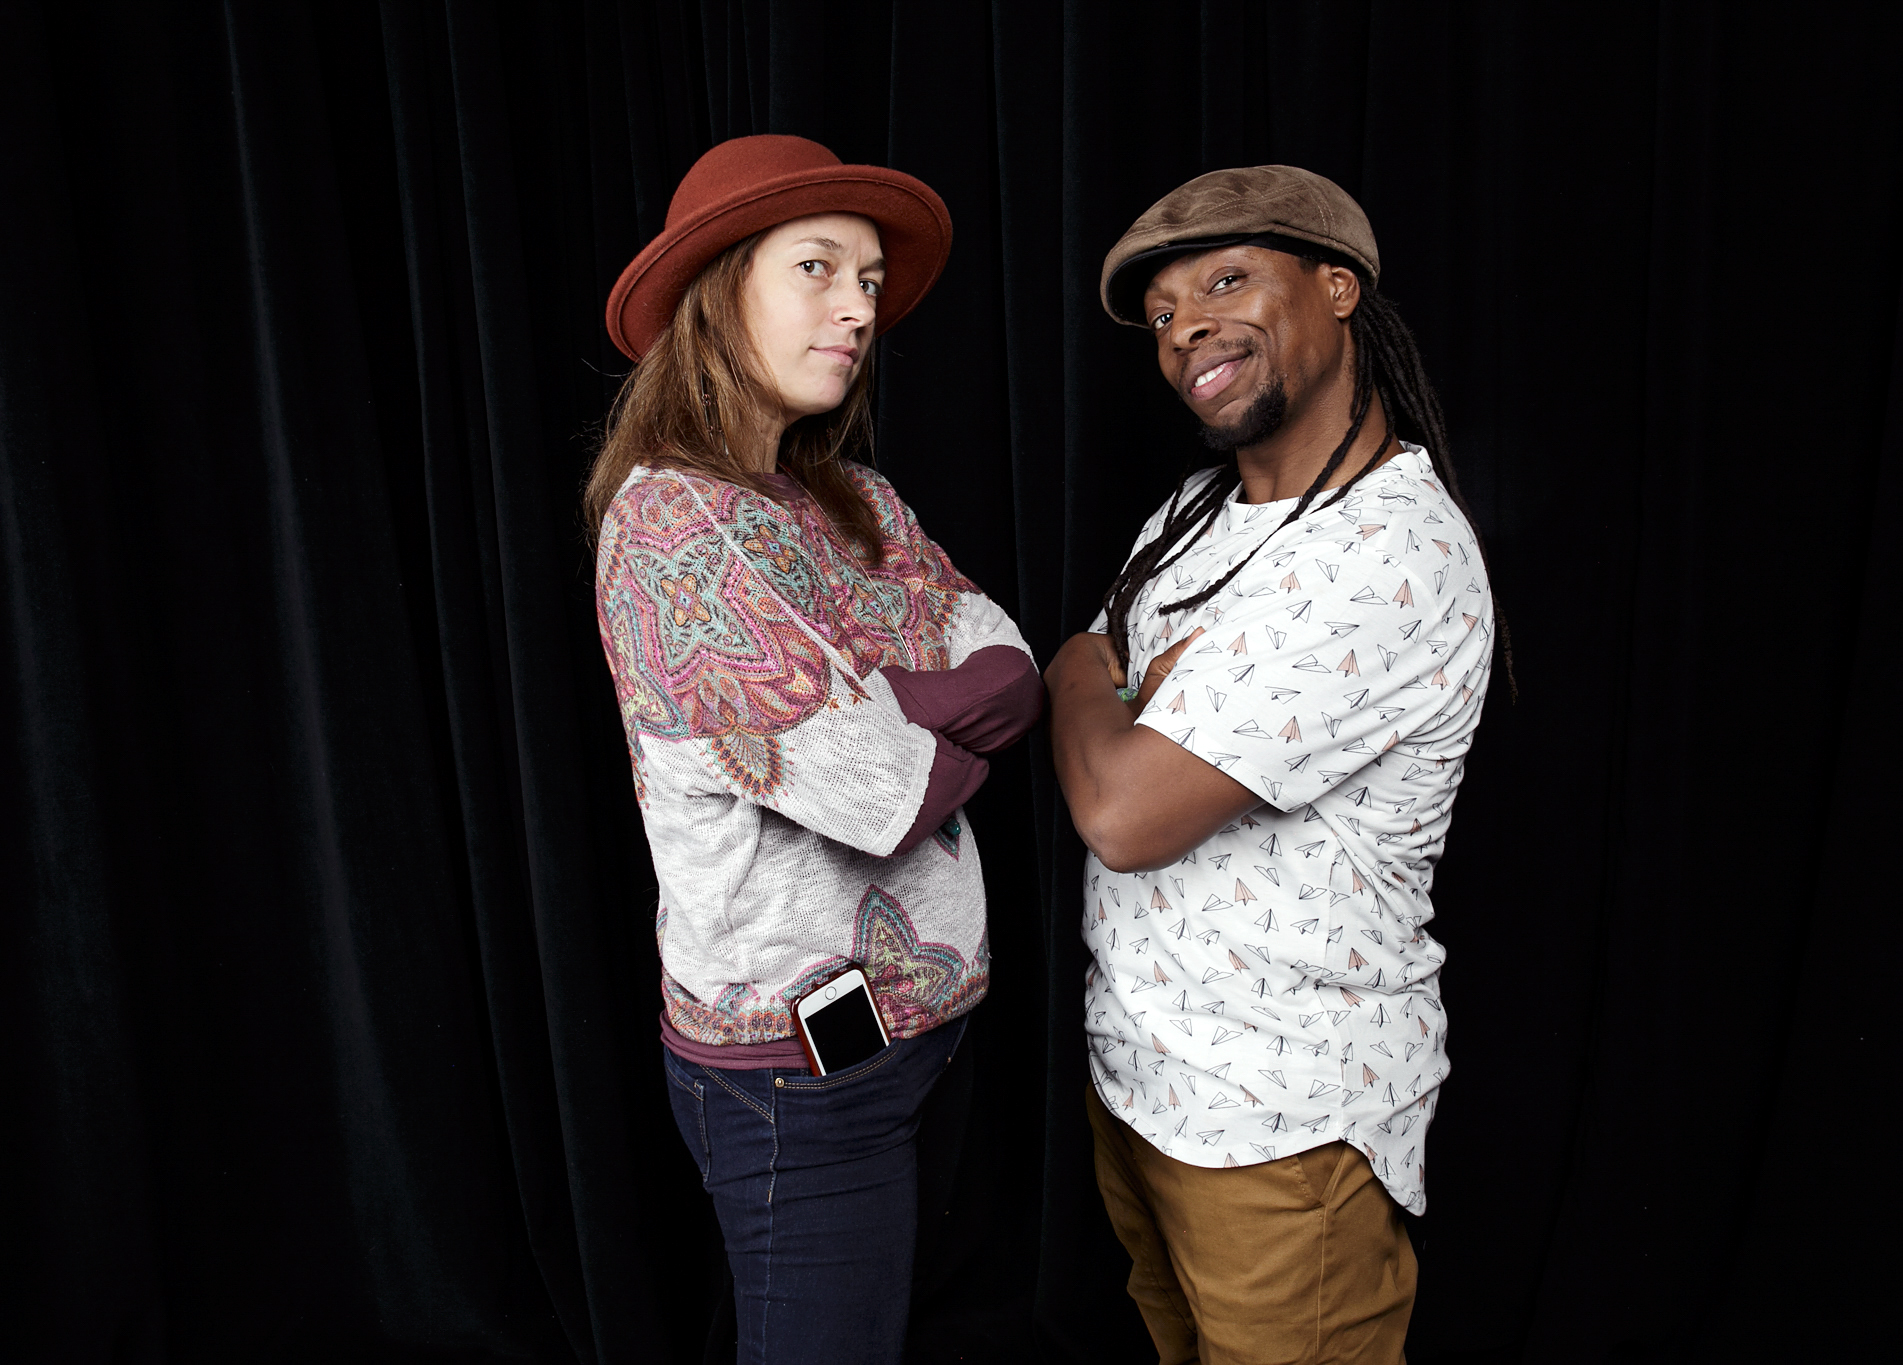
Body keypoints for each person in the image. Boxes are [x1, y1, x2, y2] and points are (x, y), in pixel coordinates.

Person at [587, 134, 1040, 1363]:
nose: (858, 309)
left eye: (871, 282)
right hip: (798, 1078)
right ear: (716, 291)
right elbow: (896, 790)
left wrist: (887, 695)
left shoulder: (859, 500)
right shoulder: (671, 527)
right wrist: (920, 714)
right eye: (817, 269)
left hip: (929, 1035)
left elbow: (1010, 667)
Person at [1046, 166, 1503, 1364]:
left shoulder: (1383, 552)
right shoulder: (1189, 514)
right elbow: (1113, 711)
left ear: (1336, 288)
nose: (1183, 327)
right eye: (1162, 313)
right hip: (1142, 1085)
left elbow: (1121, 810)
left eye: (1226, 282)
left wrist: (1072, 668)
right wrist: (1103, 684)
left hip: (1282, 1125)